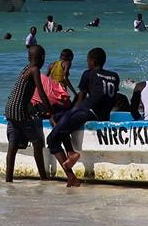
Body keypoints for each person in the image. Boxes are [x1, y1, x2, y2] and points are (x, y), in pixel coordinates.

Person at [46, 47, 120, 183]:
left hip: (88, 111)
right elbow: (111, 97)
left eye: (88, 60)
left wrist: (71, 112)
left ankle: (72, 176)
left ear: (93, 61)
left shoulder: (88, 73)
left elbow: (80, 99)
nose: (87, 63)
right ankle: (70, 151)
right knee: (55, 118)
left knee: (52, 139)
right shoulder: (114, 76)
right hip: (104, 115)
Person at [3, 45, 59, 184]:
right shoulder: (35, 70)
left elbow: (22, 93)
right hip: (19, 111)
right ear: (42, 58)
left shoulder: (26, 68)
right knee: (37, 142)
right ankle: (43, 177)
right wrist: (51, 113)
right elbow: (41, 92)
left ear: (29, 58)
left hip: (10, 109)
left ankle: (8, 179)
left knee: (13, 146)